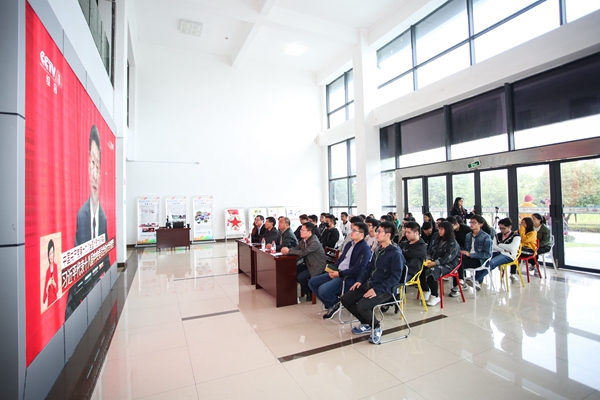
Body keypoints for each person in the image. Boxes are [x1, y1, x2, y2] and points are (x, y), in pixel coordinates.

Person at [68, 125, 110, 319]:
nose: (95, 172)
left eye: (98, 165)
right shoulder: (81, 216)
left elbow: (106, 263)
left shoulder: (103, 218)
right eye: (92, 163)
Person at [340, 221, 405, 344]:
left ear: (388, 235)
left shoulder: (395, 254)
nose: (377, 233)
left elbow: (395, 278)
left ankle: (376, 327)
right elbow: (369, 268)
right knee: (345, 299)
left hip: (385, 289)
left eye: (380, 231)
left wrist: (377, 290)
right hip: (371, 284)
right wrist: (360, 281)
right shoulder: (378, 250)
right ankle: (366, 323)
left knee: (362, 305)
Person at [308, 222, 372, 320]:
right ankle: (332, 303)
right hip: (338, 272)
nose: (351, 232)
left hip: (348, 277)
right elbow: (341, 259)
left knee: (322, 290)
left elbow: (359, 269)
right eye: (352, 230)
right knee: (312, 282)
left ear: (361, 234)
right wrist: (333, 270)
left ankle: (334, 303)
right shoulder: (349, 244)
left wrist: (339, 274)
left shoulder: (365, 249)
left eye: (354, 230)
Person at [469, 218, 521, 290]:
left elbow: (512, 247)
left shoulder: (516, 236)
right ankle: (477, 281)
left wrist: (499, 245)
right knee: (483, 260)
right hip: (498, 252)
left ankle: (476, 279)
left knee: (492, 262)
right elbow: (493, 246)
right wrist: (503, 249)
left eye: (503, 228)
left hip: (509, 255)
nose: (501, 230)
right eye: (500, 228)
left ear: (510, 227)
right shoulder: (498, 235)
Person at [282, 222, 326, 301]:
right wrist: (287, 250)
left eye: (303, 230)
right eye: (301, 230)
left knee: (300, 277)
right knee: (292, 270)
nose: (300, 231)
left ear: (309, 232)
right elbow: (297, 248)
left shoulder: (314, 242)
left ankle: (309, 292)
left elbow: (304, 252)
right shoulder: (304, 240)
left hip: (316, 266)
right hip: (308, 264)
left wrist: (289, 251)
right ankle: (289, 293)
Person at [420, 221, 461, 306]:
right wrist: (428, 259)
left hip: (449, 264)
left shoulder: (453, 243)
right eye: (439, 228)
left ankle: (435, 295)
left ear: (447, 230)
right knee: (420, 268)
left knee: (431, 271)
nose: (439, 231)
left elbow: (447, 258)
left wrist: (435, 263)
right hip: (434, 261)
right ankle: (426, 290)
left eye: (442, 229)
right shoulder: (436, 240)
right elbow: (429, 251)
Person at [452, 215, 492, 297]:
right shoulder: (468, 235)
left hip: (479, 260)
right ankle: (460, 282)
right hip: (468, 257)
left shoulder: (486, 237)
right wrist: (462, 251)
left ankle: (458, 285)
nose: (471, 224)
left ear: (480, 224)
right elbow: (466, 248)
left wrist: (471, 254)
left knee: (459, 263)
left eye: (474, 222)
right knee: (457, 260)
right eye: (470, 222)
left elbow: (487, 254)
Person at [512, 217, 537, 282]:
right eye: (521, 223)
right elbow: (512, 236)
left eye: (524, 223)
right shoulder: (519, 231)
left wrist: (522, 229)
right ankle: (512, 274)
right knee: (513, 253)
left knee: (515, 251)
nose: (522, 224)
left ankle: (513, 273)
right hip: (520, 249)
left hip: (529, 250)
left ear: (529, 224)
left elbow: (524, 239)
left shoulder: (533, 232)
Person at [43, 239, 59, 307]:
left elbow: (57, 290)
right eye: (50, 253)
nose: (51, 255)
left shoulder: (56, 267)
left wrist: (54, 283)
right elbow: (44, 298)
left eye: (52, 252)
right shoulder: (47, 271)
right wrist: (48, 284)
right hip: (49, 304)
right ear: (48, 256)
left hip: (55, 302)